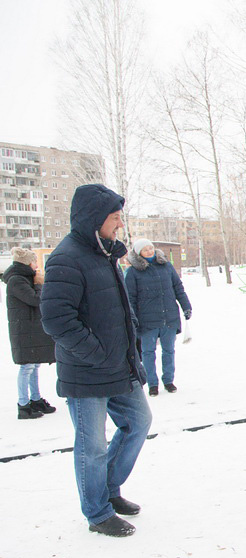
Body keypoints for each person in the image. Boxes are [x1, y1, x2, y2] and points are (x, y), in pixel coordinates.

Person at [40, 184, 152, 538]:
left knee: (138, 421)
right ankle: (97, 511)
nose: (120, 224)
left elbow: (118, 311)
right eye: (115, 218)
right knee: (93, 445)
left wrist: (129, 355)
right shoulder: (66, 257)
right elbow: (57, 319)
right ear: (94, 219)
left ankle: (108, 488)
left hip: (119, 367)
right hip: (87, 371)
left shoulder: (104, 254)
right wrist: (96, 353)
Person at [124, 239, 192, 396]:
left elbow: (178, 287)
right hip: (147, 320)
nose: (149, 251)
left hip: (169, 317)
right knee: (148, 352)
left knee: (169, 351)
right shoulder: (133, 271)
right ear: (138, 253)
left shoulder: (166, 266)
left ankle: (168, 381)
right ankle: (152, 384)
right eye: (145, 249)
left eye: (151, 248)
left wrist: (186, 306)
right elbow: (130, 298)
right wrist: (132, 319)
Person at [2, 247, 57, 419]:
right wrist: (40, 284)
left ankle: (35, 399)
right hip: (24, 331)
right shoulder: (16, 280)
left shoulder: (24, 278)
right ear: (27, 263)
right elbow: (35, 299)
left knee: (34, 365)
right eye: (34, 261)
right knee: (27, 367)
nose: (36, 265)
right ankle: (23, 404)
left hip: (31, 329)